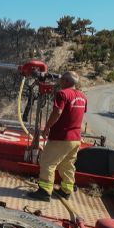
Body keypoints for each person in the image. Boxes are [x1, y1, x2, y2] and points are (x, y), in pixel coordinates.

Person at [27, 71, 87, 202]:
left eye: (62, 80)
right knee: (67, 165)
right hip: (75, 138)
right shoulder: (83, 97)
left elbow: (58, 112)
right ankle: (66, 190)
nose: (60, 82)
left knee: (47, 162)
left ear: (65, 81)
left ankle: (44, 191)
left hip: (62, 137)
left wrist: (47, 127)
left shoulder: (62, 94)